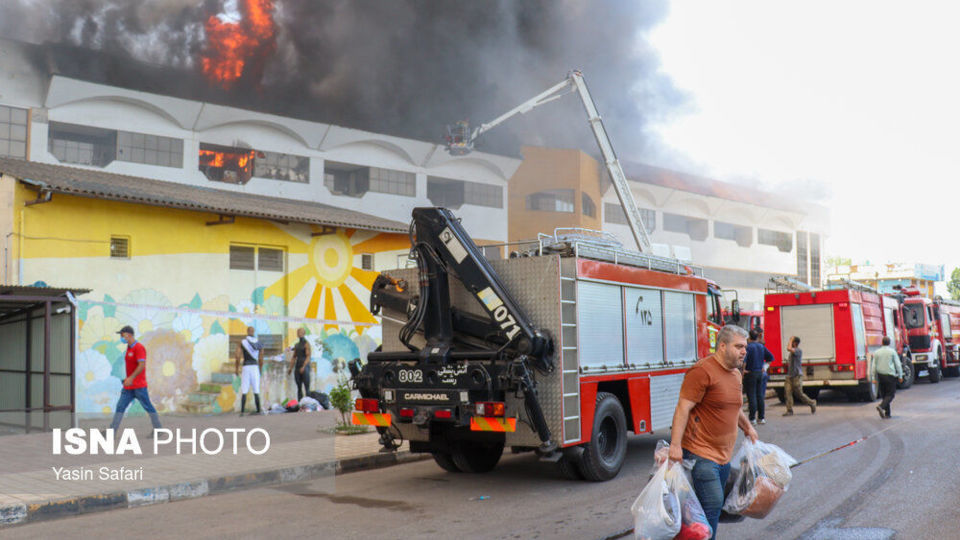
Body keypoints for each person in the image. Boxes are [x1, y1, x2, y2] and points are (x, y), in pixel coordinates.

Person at [669, 325, 759, 540]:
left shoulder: (736, 374)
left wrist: (748, 427)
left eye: (744, 347)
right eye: (738, 347)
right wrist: (674, 445)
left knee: (711, 511)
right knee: (712, 505)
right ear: (722, 346)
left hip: (724, 457)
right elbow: (683, 407)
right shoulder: (703, 371)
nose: (743, 351)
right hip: (701, 454)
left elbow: (733, 407)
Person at [109, 325, 163, 435]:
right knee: (120, 407)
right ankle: (112, 432)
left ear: (128, 335)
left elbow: (141, 365)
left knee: (148, 407)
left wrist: (131, 378)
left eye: (122, 335)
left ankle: (158, 429)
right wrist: (128, 379)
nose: (121, 337)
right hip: (128, 386)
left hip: (139, 386)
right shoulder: (129, 347)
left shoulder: (139, 348)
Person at [744, 329, 774, 425]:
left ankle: (752, 418)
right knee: (760, 395)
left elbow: (744, 361)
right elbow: (771, 357)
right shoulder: (761, 347)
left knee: (751, 395)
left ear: (749, 337)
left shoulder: (748, 347)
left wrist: (743, 371)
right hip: (760, 374)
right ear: (757, 337)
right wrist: (764, 367)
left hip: (750, 373)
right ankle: (761, 418)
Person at [870, 336, 903, 418]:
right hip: (890, 376)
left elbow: (873, 366)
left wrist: (873, 378)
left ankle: (887, 414)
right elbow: (898, 365)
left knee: (884, 395)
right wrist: (900, 375)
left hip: (880, 376)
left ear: (882, 343)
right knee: (891, 394)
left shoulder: (877, 352)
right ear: (889, 343)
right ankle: (881, 406)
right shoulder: (892, 352)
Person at [783, 336, 817, 416]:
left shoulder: (798, 351)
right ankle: (789, 410)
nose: (790, 343)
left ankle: (812, 403)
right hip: (790, 376)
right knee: (787, 393)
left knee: (799, 394)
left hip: (797, 376)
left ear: (795, 343)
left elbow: (788, 348)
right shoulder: (792, 352)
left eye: (792, 342)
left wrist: (790, 339)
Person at [235, 326, 263, 415]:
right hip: (255, 367)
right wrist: (260, 369)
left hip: (246, 366)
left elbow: (237, 356)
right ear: (253, 331)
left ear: (247, 331)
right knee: (256, 390)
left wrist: (236, 368)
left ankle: (242, 412)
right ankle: (258, 410)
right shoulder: (259, 343)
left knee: (244, 389)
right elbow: (261, 358)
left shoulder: (242, 342)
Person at [287, 328, 312, 401]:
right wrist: (290, 368)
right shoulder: (296, 345)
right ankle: (300, 404)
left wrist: (304, 366)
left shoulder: (306, 344)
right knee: (299, 387)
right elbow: (294, 357)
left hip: (305, 366)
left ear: (304, 333)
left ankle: (308, 404)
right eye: (298, 332)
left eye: (300, 332)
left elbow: (308, 356)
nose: (298, 333)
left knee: (307, 387)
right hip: (297, 366)